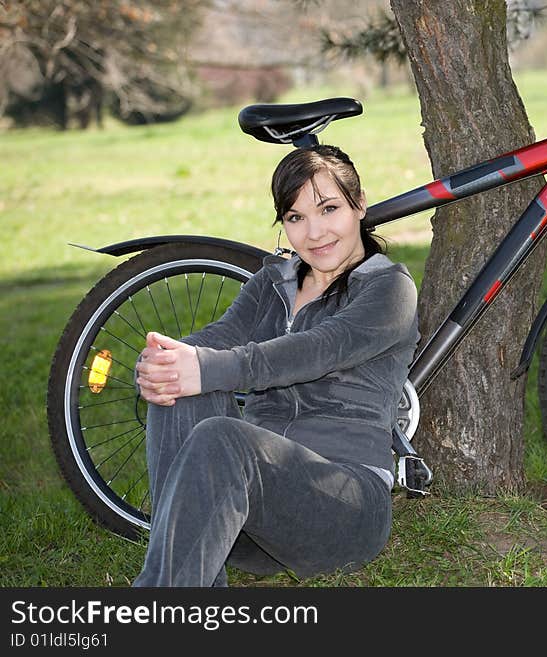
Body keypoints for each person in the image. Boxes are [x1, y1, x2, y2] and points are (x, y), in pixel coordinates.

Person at [131, 144, 420, 587]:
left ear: (359, 206)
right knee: (178, 390)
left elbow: (318, 348)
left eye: (329, 209)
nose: (315, 232)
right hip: (256, 517)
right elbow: (219, 339)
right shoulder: (272, 282)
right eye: (296, 218)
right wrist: (166, 362)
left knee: (220, 431)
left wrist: (204, 368)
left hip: (345, 506)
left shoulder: (388, 289)